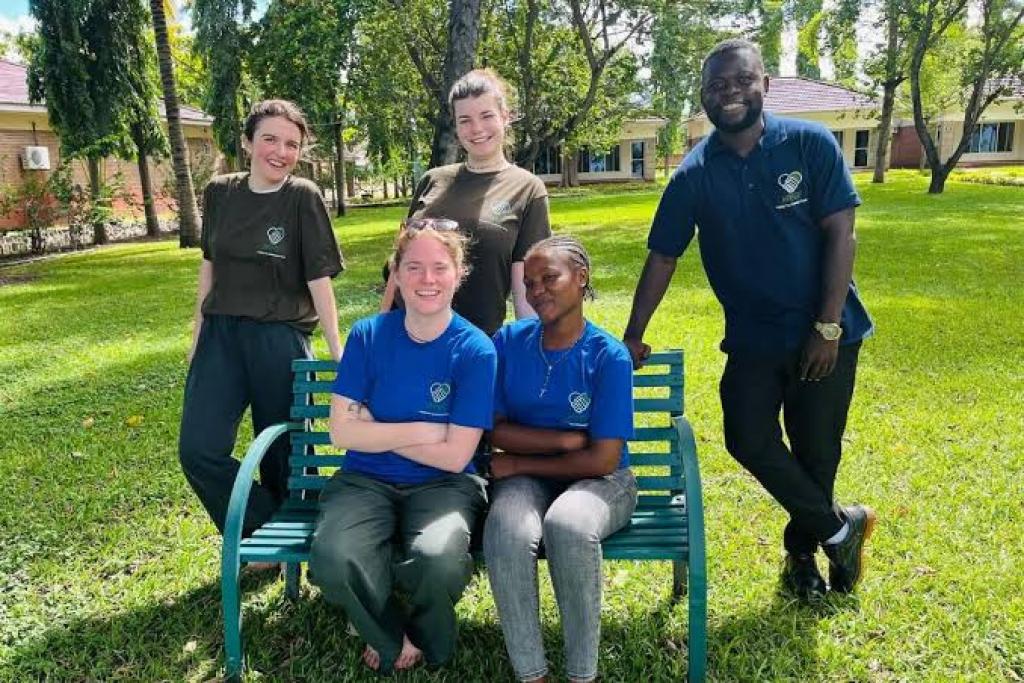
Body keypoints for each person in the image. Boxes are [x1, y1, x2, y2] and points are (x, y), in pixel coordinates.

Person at [623, 39, 876, 601]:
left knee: (816, 452)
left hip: (826, 332)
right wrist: (634, 333)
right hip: (754, 338)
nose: (730, 93)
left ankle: (802, 559)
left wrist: (827, 327)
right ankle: (841, 529)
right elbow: (663, 256)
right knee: (746, 436)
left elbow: (842, 232)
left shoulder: (808, 144)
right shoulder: (694, 175)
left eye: (741, 81)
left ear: (764, 84)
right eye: (717, 86)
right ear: (703, 97)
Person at [308, 219, 496, 674]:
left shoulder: (475, 350)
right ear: (396, 272)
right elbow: (341, 433)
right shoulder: (368, 336)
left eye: (439, 267)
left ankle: (425, 633)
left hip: (444, 485)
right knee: (333, 555)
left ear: (459, 273)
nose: (427, 279)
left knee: (440, 559)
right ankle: (390, 635)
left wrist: (377, 427)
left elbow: (455, 457)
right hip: (364, 479)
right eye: (413, 267)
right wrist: (427, 430)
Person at [179, 99, 343, 542]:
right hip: (220, 337)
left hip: (279, 337)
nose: (281, 152)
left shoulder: (302, 197)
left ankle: (283, 545)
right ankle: (266, 523)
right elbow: (210, 266)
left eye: (292, 144)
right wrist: (198, 335)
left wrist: (337, 349)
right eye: (270, 139)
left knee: (285, 455)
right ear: (248, 142)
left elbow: (319, 278)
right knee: (198, 449)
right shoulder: (219, 193)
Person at [484, 235, 638, 683]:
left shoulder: (607, 355)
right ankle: (532, 674)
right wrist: (565, 441)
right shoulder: (508, 342)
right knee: (506, 529)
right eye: (529, 283)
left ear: (581, 278)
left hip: (603, 483)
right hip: (529, 479)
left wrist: (519, 461)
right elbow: (492, 428)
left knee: (568, 525)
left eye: (549, 278)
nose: (537, 291)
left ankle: (581, 675)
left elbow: (603, 459)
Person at [381, 68, 550, 336]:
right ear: (456, 125)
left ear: (505, 116)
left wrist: (528, 347)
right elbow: (398, 266)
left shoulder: (527, 189)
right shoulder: (431, 180)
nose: (477, 129)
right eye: (465, 120)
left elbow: (527, 289)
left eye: (486, 116)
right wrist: (379, 334)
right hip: (404, 338)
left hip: (474, 343)